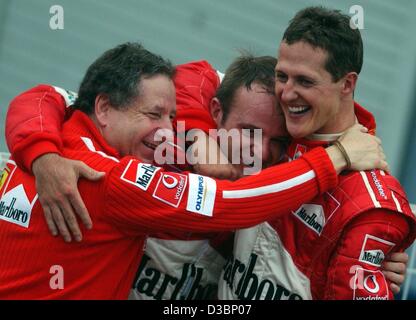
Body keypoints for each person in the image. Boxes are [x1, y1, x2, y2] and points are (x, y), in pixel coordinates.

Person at [4, 53, 408, 299]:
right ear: (216, 113)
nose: (259, 151)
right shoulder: (145, 158)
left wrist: (365, 265)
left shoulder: (283, 196)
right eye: (248, 132)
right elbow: (47, 96)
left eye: (277, 140)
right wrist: (43, 158)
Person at [215, 6, 416, 300]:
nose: (286, 93)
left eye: (305, 81)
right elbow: (192, 81)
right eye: (282, 76)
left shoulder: (371, 205)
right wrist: (198, 144)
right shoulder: (272, 131)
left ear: (347, 83)